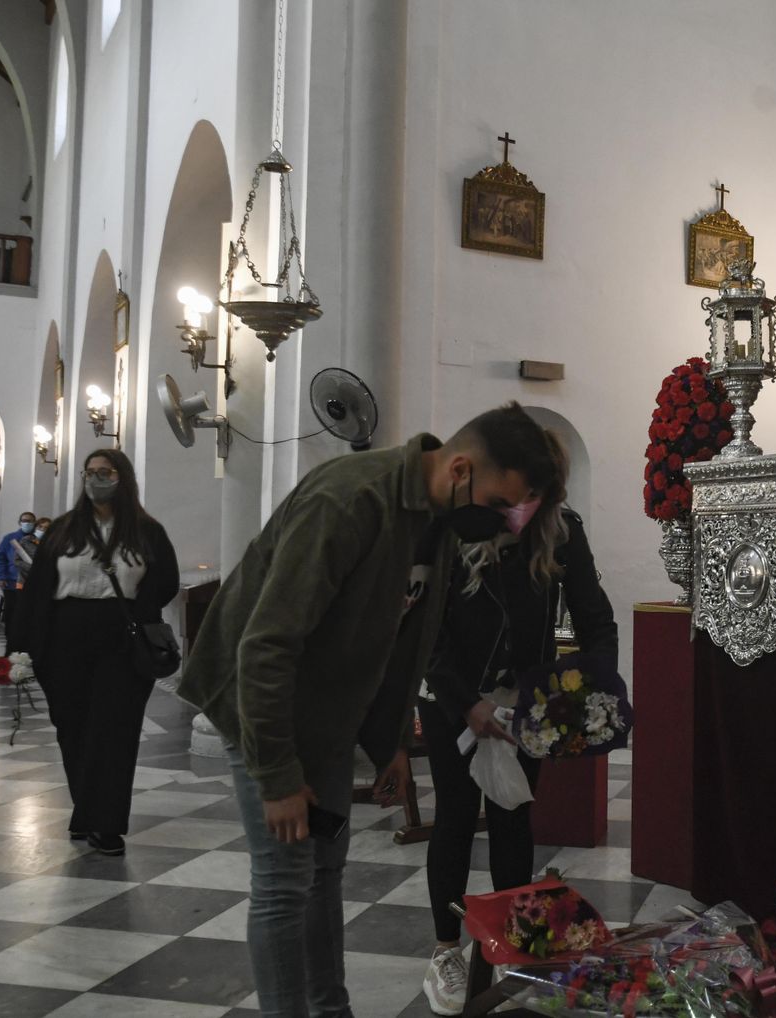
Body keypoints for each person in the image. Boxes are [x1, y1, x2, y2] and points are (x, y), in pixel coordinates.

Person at [179, 403, 558, 1018]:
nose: (498, 524)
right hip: (258, 701)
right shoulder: (350, 500)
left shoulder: (435, 526)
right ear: (460, 468)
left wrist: (387, 747)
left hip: (326, 712)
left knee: (325, 869)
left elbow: (402, 646)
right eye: (495, 504)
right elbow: (266, 644)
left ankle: (333, 1009)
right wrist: (276, 773)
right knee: (283, 882)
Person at [418, 438, 619, 1016]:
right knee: (455, 816)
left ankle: (508, 950)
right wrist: (464, 703)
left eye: (538, 493)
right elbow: (426, 631)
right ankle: (445, 953)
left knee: (513, 815)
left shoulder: (562, 529)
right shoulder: (452, 526)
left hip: (520, 695)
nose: (523, 504)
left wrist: (592, 685)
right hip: (449, 690)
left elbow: (593, 613)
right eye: (517, 490)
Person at [8, 450, 179, 857]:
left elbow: (166, 581)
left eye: (106, 472)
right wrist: (21, 649)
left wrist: (136, 612)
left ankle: (106, 823)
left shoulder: (146, 530)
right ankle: (86, 810)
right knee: (74, 728)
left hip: (121, 641)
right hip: (65, 639)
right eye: (91, 472)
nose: (97, 479)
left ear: (123, 478)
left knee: (114, 732)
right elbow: (37, 594)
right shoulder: (65, 529)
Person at [0, 512, 37, 637]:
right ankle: (11, 639)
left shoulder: (38, 539)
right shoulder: (10, 538)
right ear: (20, 522)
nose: (27, 523)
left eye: (30, 521)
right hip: (12, 581)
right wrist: (0, 577)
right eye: (24, 520)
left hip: (32, 582)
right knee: (12, 612)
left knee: (29, 612)